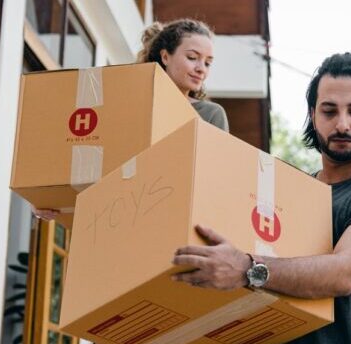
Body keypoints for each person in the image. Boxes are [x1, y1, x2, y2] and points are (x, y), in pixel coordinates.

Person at [171, 52, 351, 344]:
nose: (342, 124)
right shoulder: (292, 193)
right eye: (329, 111)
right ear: (313, 116)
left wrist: (247, 268)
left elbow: (344, 273)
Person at [34, 19, 228, 222]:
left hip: (174, 222)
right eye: (192, 57)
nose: (201, 69)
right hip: (116, 221)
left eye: (207, 63)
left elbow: (213, 184)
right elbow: (91, 163)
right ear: (165, 56)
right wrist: (50, 195)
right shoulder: (127, 107)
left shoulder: (210, 115)